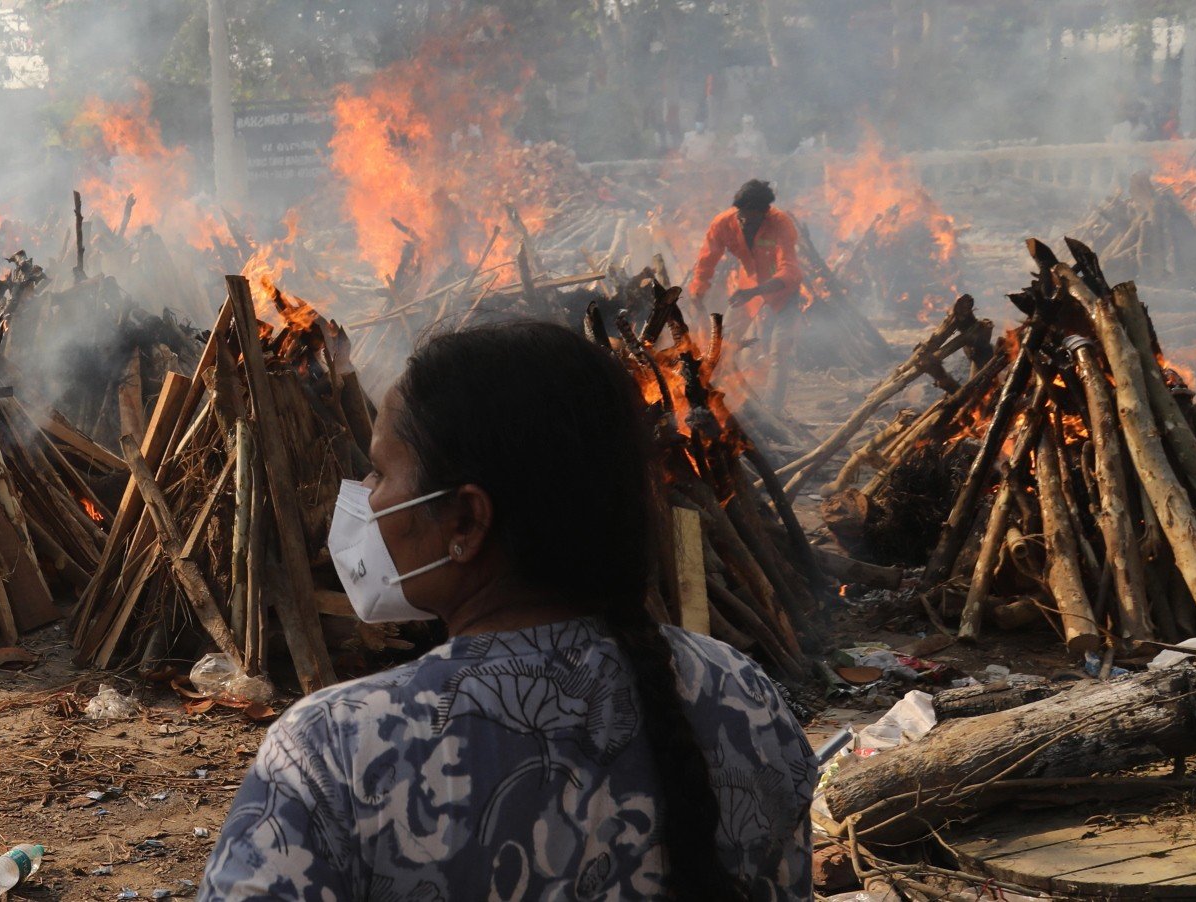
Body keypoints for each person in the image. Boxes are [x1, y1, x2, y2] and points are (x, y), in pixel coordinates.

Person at [199, 323, 816, 900]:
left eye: (381, 470)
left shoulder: (339, 750)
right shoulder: (744, 701)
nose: (366, 495)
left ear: (465, 521)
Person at [688, 179, 803, 325]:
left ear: (764, 213)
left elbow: (790, 270)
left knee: (778, 346)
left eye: (750, 222)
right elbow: (707, 258)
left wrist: (754, 292)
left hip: (782, 296)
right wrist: (698, 287)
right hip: (746, 291)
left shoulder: (780, 223)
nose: (743, 226)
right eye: (741, 218)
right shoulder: (723, 223)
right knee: (724, 340)